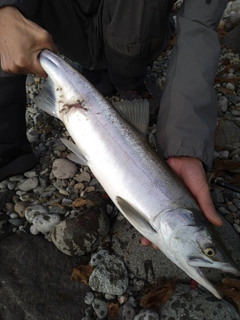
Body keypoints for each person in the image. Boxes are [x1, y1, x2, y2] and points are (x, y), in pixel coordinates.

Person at [0, 1, 226, 241]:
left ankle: (122, 76)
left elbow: (199, 27)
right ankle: (6, 141)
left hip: (135, 31)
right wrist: (5, 10)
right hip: (54, 22)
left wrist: (185, 144)